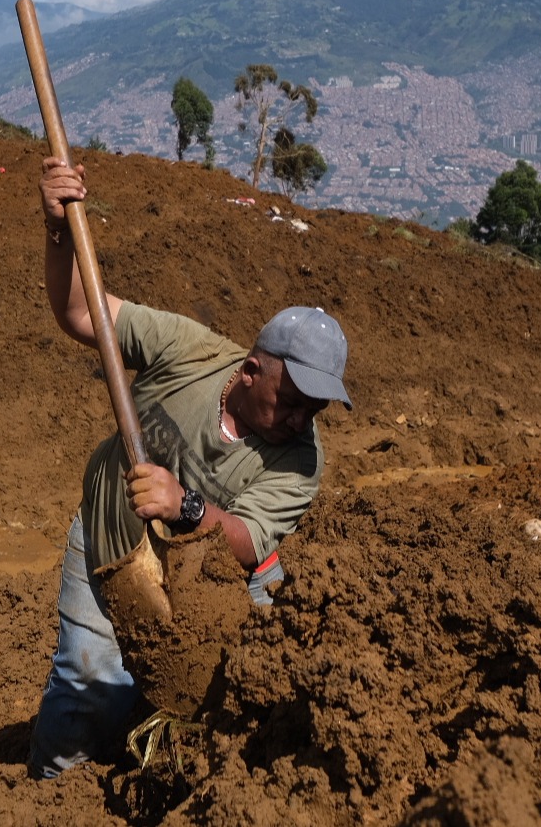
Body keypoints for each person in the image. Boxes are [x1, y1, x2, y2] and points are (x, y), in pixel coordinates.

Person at [26, 154, 352, 779]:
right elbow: (77, 311)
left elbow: (253, 544)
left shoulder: (302, 460)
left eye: (315, 410)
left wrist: (188, 507)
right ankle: (48, 792)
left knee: (226, 687)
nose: (300, 420)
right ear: (251, 368)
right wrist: (58, 229)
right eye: (292, 401)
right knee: (91, 682)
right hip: (112, 537)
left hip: (200, 573)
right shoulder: (190, 349)